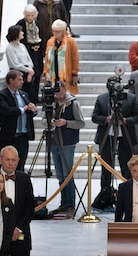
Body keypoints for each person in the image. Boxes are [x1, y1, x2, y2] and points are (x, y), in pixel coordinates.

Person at [92, 81, 138, 188]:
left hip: (125, 139)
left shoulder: (131, 98)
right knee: (106, 169)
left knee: (127, 168)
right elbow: (94, 117)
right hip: (106, 137)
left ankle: (128, 193)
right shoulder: (101, 99)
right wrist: (106, 119)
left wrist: (125, 120)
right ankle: (105, 193)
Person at [0, 146, 35, 256]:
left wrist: (18, 228)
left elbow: (30, 207)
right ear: (0, 160)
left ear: (18, 161)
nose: (10, 163)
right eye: (7, 159)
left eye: (13, 160)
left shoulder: (25, 179)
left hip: (20, 236)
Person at [51, 80, 85, 216]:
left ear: (65, 89)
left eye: (60, 91)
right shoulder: (51, 103)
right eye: (56, 92)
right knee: (60, 174)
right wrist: (50, 122)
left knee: (67, 174)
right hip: (54, 141)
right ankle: (63, 203)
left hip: (67, 142)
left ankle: (70, 203)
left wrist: (66, 123)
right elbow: (43, 119)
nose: (58, 95)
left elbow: (81, 123)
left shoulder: (73, 103)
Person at [0, 70, 36, 173]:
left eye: (22, 79)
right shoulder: (1, 95)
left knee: (20, 164)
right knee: (6, 165)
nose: (22, 82)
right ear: (11, 80)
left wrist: (33, 110)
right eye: (19, 79)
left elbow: (29, 112)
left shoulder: (24, 94)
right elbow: (6, 110)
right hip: (8, 136)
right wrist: (23, 109)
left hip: (22, 137)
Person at [43, 19, 80, 96]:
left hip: (66, 74)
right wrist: (45, 73)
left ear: (63, 31)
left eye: (58, 32)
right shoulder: (50, 41)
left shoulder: (71, 42)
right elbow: (47, 58)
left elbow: (75, 58)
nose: (55, 34)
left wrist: (74, 74)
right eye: (54, 31)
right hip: (53, 72)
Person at [16, 4, 44, 103]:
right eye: (28, 15)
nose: (30, 17)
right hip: (27, 51)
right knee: (27, 75)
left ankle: (35, 97)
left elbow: (42, 36)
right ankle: (28, 98)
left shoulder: (38, 23)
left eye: (32, 15)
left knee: (37, 73)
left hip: (37, 51)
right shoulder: (20, 24)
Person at [5, 25, 36, 99]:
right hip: (17, 72)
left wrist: (30, 71)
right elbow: (15, 64)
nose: (22, 33)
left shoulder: (22, 46)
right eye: (20, 32)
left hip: (28, 72)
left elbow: (29, 60)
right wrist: (28, 70)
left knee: (31, 94)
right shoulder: (10, 47)